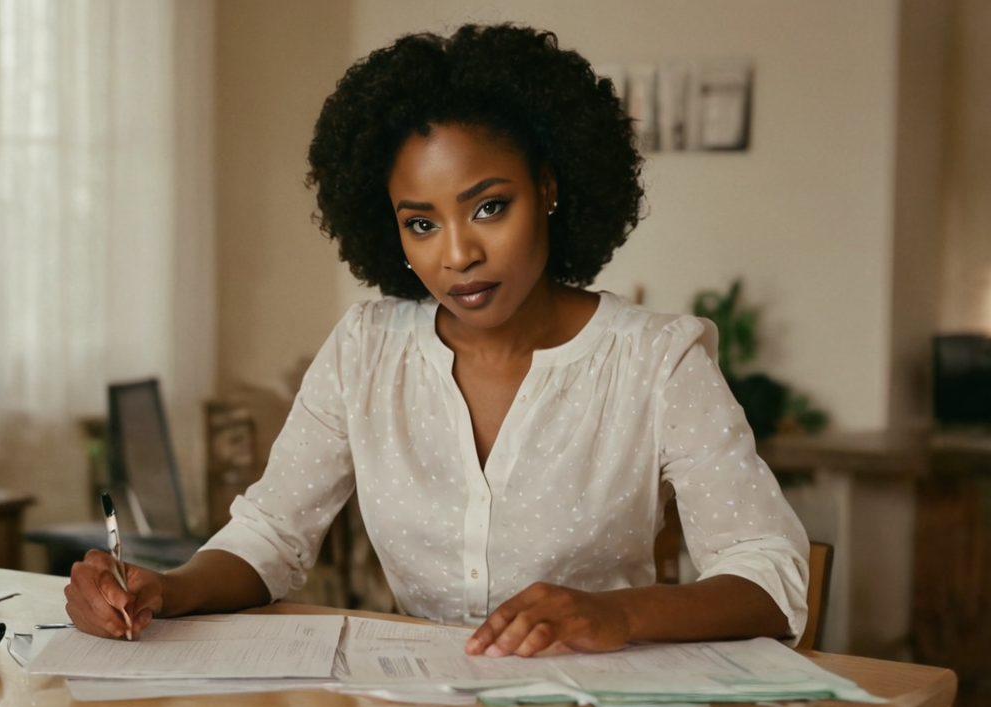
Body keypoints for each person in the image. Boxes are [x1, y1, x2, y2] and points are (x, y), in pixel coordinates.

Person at [65, 23, 810, 657]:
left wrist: (619, 613)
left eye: (489, 207)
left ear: (549, 187)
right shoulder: (367, 348)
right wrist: (167, 589)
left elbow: (771, 575)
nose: (456, 254)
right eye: (421, 223)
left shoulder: (656, 360)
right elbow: (271, 534)